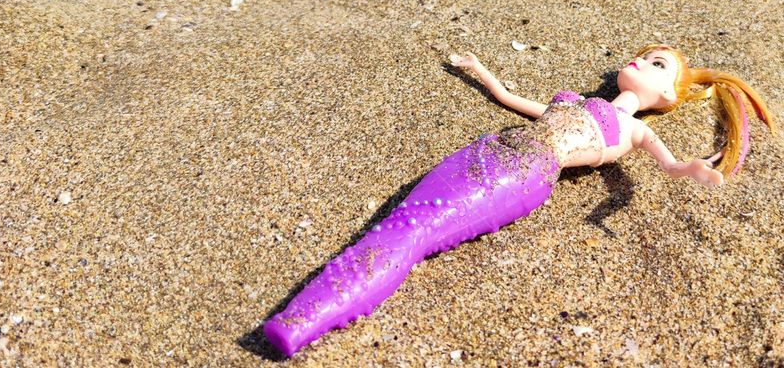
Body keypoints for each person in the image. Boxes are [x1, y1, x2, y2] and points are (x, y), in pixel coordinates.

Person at [262, 44, 776, 358]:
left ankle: (299, 324)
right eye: (646, 54)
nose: (641, 59)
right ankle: (300, 317)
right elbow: (512, 99)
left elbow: (668, 165)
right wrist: (480, 70)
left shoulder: (635, 130)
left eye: (659, 63)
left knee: (413, 234)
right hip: (491, 148)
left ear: (668, 96)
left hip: (527, 171)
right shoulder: (577, 101)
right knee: (397, 221)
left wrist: (694, 169)